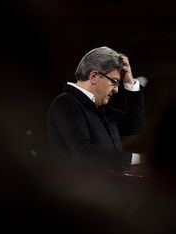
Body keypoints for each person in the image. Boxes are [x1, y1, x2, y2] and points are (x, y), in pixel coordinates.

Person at [47, 46, 146, 174]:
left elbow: (134, 125)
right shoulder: (66, 103)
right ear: (94, 76)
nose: (116, 90)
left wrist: (129, 83)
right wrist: (139, 158)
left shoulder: (101, 109)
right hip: (80, 193)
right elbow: (85, 154)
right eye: (114, 82)